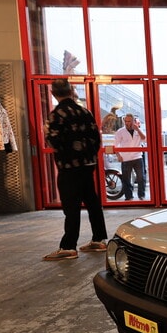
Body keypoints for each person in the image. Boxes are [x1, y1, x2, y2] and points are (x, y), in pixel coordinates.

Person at [42, 79, 108, 261]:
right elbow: (96, 138)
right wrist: (89, 156)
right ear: (71, 91)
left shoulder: (57, 114)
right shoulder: (85, 112)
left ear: (53, 92)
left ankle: (69, 246)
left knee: (71, 206)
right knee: (92, 201)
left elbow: (53, 141)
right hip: (88, 164)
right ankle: (99, 239)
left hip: (69, 167)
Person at [114, 113, 147, 200]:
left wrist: (138, 130)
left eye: (129, 121)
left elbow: (144, 139)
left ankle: (141, 195)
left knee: (141, 177)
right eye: (126, 121)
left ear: (133, 121)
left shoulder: (138, 130)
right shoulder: (120, 131)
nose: (127, 123)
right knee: (126, 178)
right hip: (126, 158)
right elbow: (115, 145)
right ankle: (128, 196)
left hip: (137, 156)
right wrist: (118, 155)